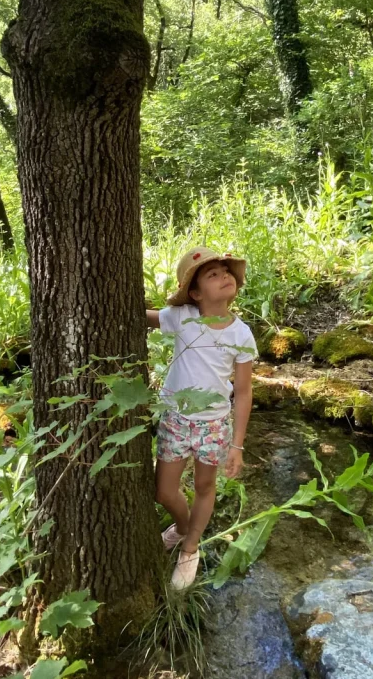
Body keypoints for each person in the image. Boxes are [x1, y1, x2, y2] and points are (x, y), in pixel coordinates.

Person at [146, 246, 256, 589]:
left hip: (214, 424)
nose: (224, 276)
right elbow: (144, 316)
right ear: (194, 293)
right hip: (176, 420)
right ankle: (181, 527)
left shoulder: (242, 334)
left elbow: (244, 391)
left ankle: (190, 547)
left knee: (205, 486)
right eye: (213, 274)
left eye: (227, 272)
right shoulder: (181, 319)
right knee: (164, 492)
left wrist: (237, 445)